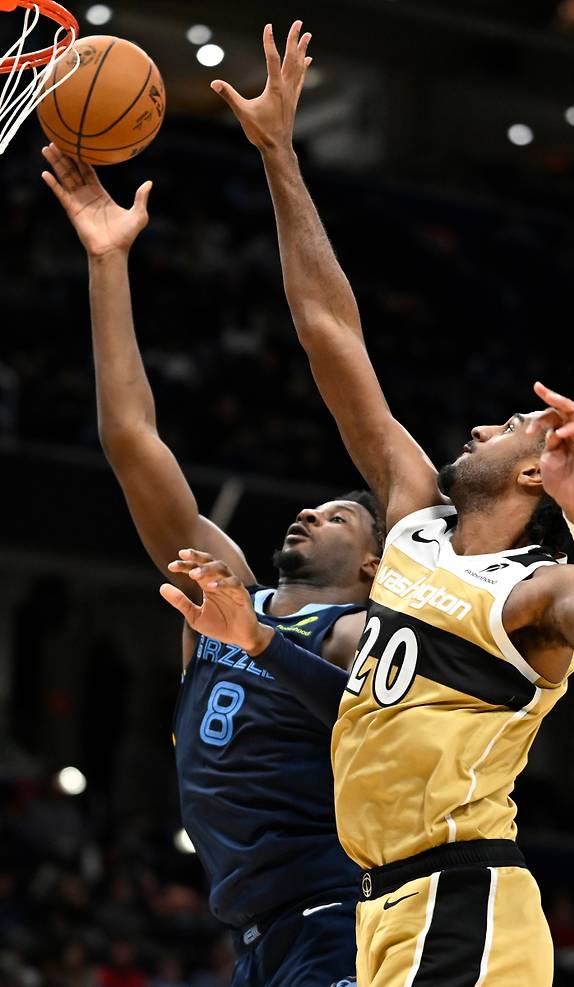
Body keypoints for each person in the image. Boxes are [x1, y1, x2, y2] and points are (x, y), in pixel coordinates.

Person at [162, 20, 574, 986]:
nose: (482, 425)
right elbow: (328, 328)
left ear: (536, 476)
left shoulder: (531, 590)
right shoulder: (416, 520)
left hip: (463, 901)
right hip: (385, 905)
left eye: (512, 425)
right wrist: (279, 155)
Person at [40, 142, 383, 987]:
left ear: (374, 565)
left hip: (338, 915)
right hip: (255, 933)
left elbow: (395, 726)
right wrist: (108, 264)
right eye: (313, 506)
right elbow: (132, 441)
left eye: (338, 515)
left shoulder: (358, 631)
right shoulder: (224, 592)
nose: (309, 511)